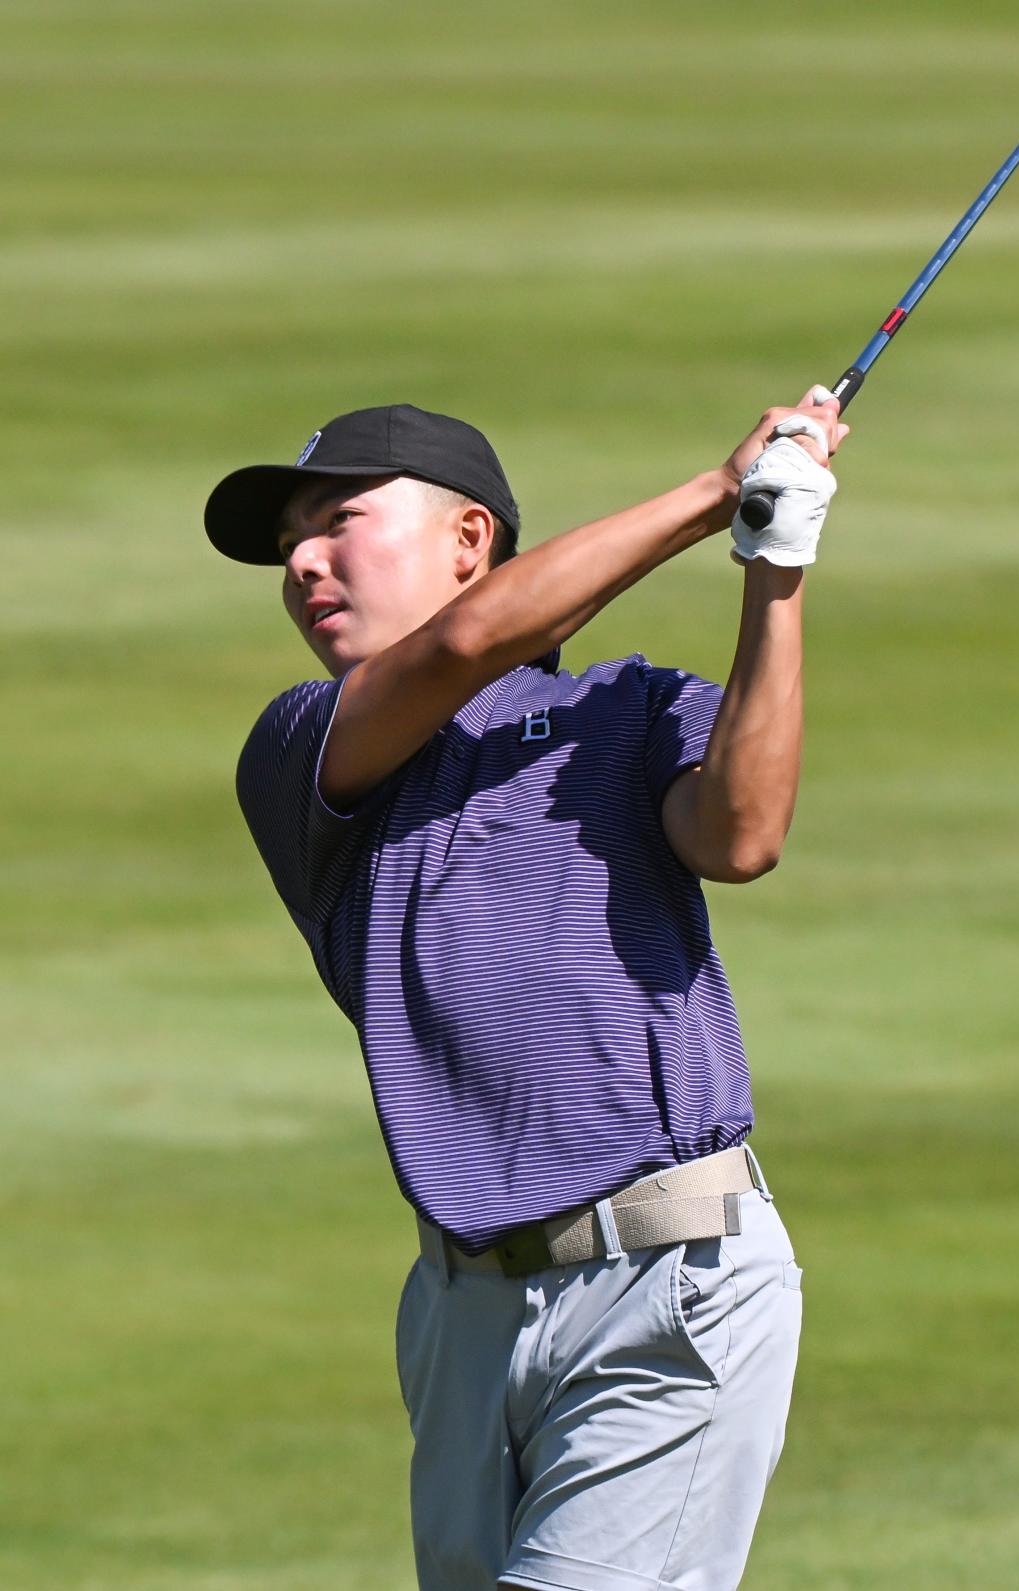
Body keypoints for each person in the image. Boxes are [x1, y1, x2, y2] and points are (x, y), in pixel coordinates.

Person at [204, 385, 848, 1591]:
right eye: (291, 540)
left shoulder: (633, 707)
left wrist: (777, 565)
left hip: (672, 1287)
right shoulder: (300, 751)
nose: (302, 560)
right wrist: (717, 494)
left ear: (469, 540)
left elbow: (744, 831)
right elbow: (464, 645)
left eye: (340, 519)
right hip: (460, 1317)